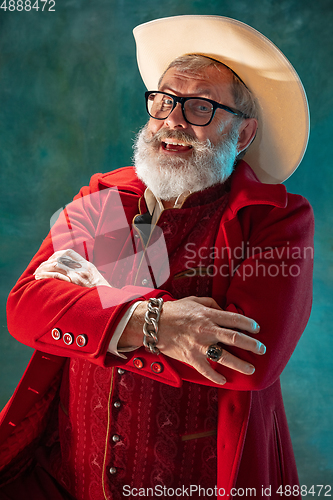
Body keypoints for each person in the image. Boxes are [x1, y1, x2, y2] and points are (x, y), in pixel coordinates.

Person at [0, 15, 314, 500]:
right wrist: (158, 321)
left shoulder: (274, 220)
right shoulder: (111, 198)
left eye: (200, 107)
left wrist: (96, 303)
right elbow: (26, 310)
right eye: (164, 100)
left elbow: (245, 361)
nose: (173, 120)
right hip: (66, 481)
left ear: (245, 133)